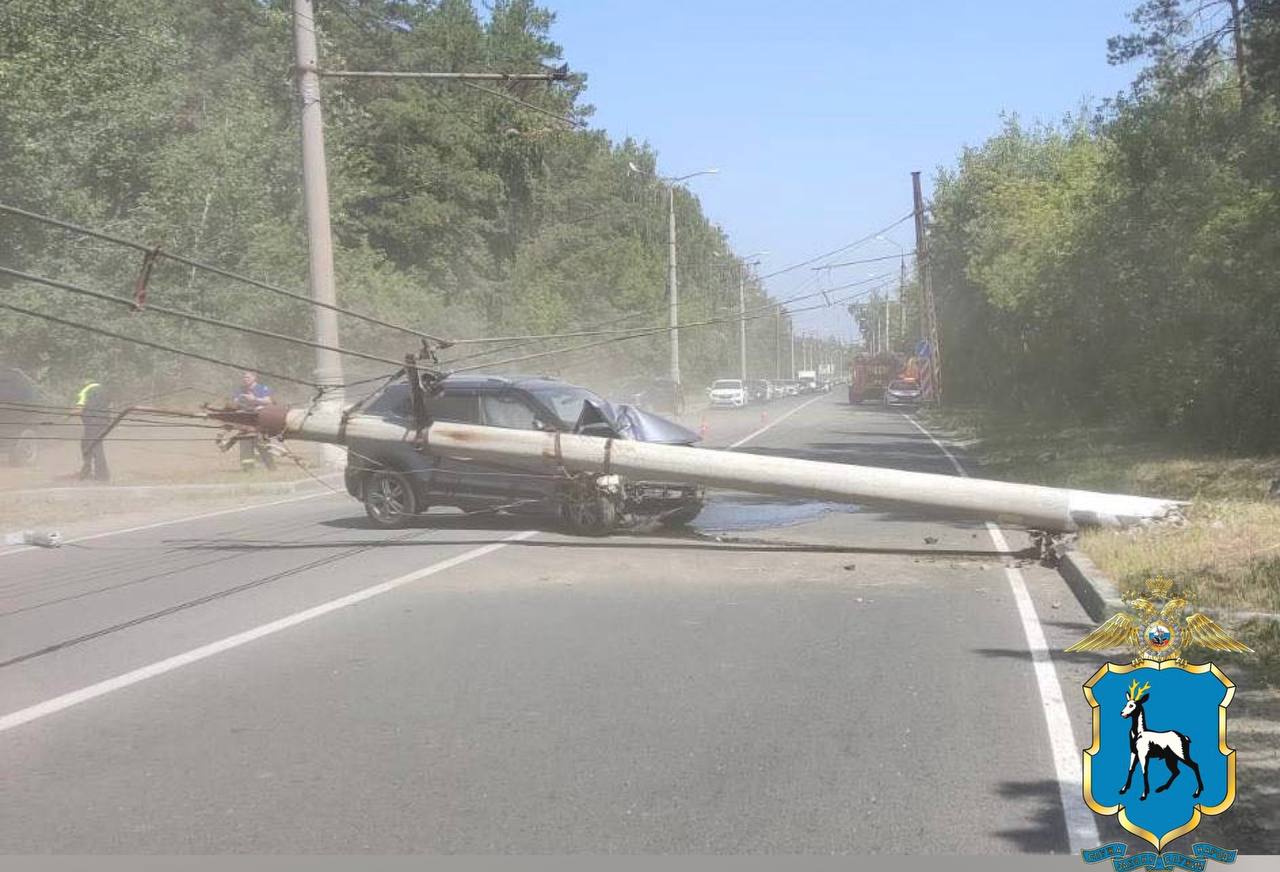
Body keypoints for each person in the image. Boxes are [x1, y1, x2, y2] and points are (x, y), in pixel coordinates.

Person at [232, 371, 276, 471]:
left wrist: (254, 399)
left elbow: (269, 401)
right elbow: (235, 402)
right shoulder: (240, 390)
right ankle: (248, 469)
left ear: (254, 378)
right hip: (244, 421)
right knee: (245, 443)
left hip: (259, 421)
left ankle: (271, 467)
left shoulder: (262, 388)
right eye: (244, 377)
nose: (245, 379)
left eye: (248, 377)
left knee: (262, 444)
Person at [75, 380, 111, 482]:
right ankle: (88, 471)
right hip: (104, 422)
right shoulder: (104, 389)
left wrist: (67, 414)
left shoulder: (85, 391)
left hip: (92, 422)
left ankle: (101, 476)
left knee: (93, 447)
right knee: (89, 445)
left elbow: (79, 410)